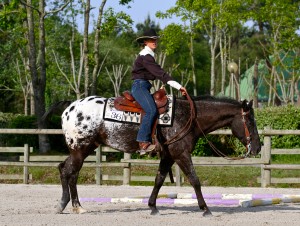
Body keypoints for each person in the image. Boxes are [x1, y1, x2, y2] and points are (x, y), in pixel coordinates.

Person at [131, 29, 187, 154]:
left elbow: (156, 73)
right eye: (151, 39)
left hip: (143, 86)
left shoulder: (148, 55)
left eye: (155, 39)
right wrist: (178, 86)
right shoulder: (146, 56)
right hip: (140, 86)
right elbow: (160, 73)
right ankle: (143, 142)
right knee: (151, 110)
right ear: (145, 41)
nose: (154, 41)